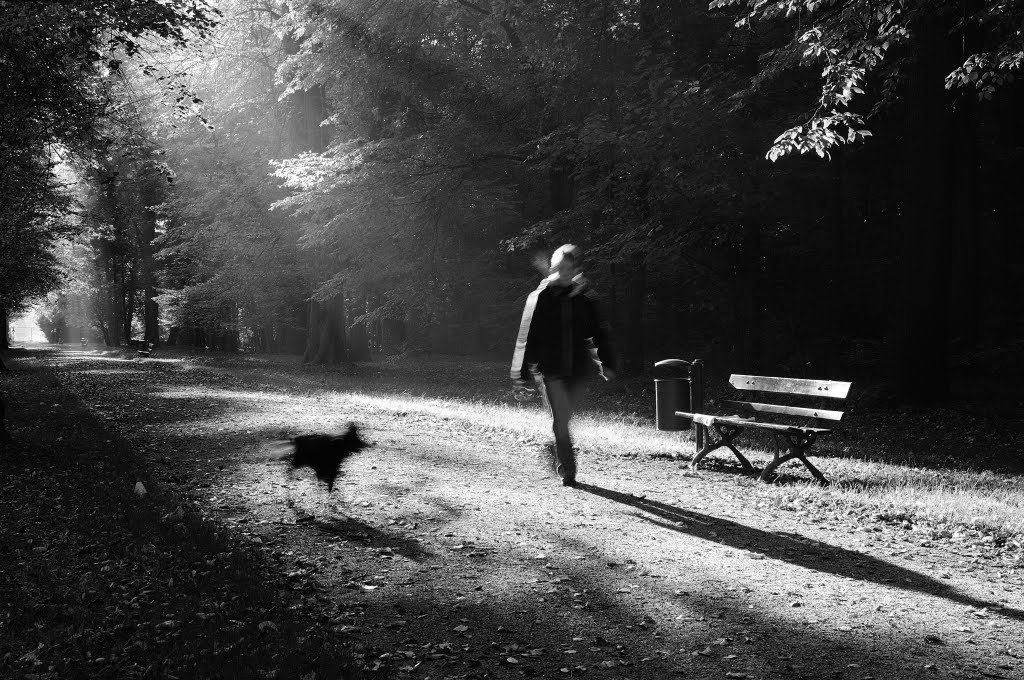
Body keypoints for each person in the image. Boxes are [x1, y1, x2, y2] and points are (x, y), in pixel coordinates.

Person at [511, 244, 616, 486]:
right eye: (561, 268)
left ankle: (557, 447)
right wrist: (521, 375)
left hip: (578, 370)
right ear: (554, 268)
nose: (566, 272)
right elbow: (528, 337)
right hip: (551, 370)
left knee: (564, 419)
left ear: (576, 269)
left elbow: (599, 333)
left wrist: (607, 363)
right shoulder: (541, 298)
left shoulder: (584, 298)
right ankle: (568, 469)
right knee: (560, 419)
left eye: (571, 268)